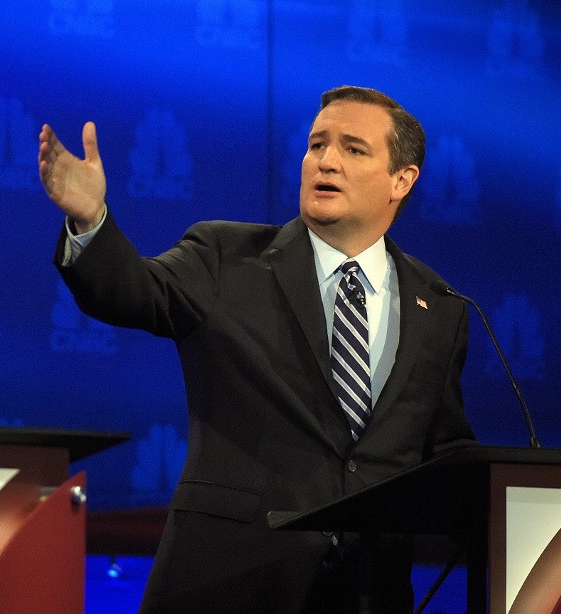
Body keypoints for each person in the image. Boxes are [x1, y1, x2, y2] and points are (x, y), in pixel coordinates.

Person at [39, 85, 476, 614]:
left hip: (366, 593)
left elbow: (447, 455)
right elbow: (135, 293)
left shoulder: (441, 308)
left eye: (353, 149)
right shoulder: (225, 257)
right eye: (316, 145)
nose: (326, 161)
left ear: (401, 180)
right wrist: (92, 222)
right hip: (225, 583)